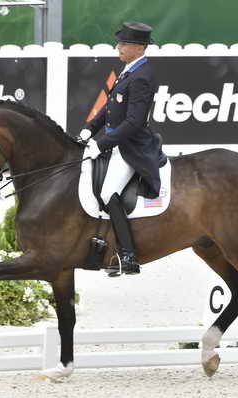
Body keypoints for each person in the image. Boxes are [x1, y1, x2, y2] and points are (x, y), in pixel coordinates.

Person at [79, 21, 161, 276]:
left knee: (107, 192)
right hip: (116, 142)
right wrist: (89, 129)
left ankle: (128, 255)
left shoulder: (143, 75)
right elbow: (110, 107)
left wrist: (101, 144)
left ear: (138, 47)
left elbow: (134, 122)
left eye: (123, 44)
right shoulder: (128, 70)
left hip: (132, 147)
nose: (118, 47)